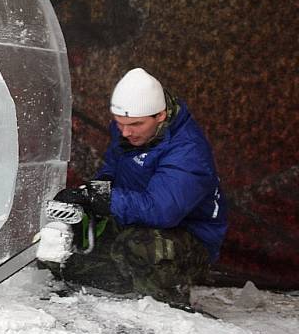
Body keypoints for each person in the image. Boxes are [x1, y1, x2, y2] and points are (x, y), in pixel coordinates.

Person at [50, 67, 228, 305]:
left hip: (187, 236)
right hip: (136, 219)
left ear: (161, 115)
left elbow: (162, 210)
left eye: (135, 124)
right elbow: (113, 168)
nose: (125, 132)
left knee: (143, 247)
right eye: (119, 123)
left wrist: (105, 199)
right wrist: (88, 193)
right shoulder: (131, 132)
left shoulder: (188, 151)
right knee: (73, 259)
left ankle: (166, 303)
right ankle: (123, 290)